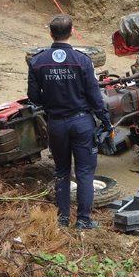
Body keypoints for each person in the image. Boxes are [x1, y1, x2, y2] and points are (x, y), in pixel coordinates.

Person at [27, 15, 112, 229]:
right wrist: (105, 120)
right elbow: (95, 96)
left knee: (62, 171)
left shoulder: (37, 61)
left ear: (50, 34)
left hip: (56, 123)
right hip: (82, 122)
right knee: (84, 172)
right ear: (72, 32)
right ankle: (83, 220)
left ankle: (63, 218)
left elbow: (34, 97)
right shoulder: (83, 61)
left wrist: (52, 102)